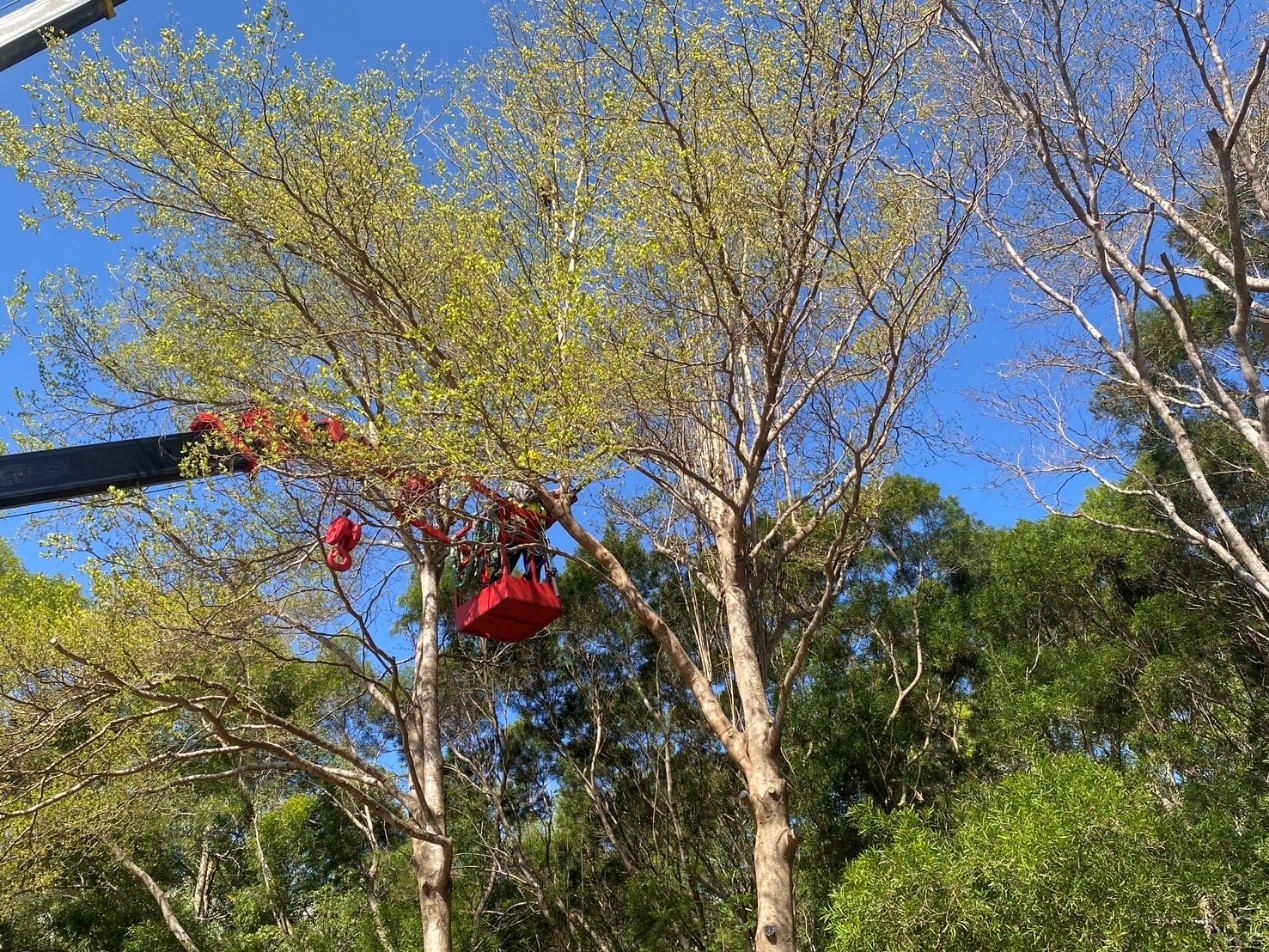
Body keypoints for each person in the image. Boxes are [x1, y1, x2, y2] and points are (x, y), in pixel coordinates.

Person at [499, 480, 553, 582]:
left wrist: (549, 498)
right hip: (518, 526)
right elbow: (527, 497)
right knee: (509, 560)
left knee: (535, 561)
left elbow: (549, 506)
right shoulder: (514, 483)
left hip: (535, 528)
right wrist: (547, 495)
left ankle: (531, 584)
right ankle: (498, 581)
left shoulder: (537, 486)